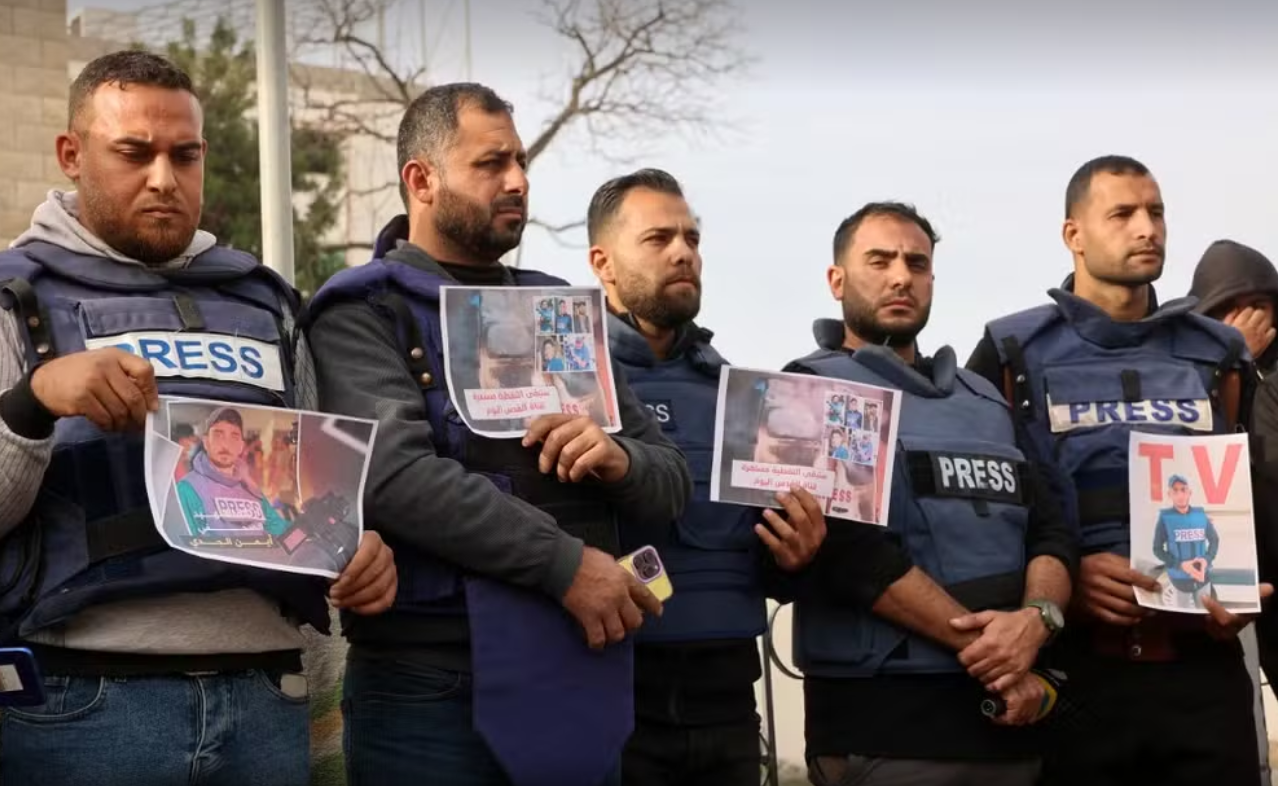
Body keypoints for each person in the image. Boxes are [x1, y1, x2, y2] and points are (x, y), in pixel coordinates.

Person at [0, 50, 397, 785]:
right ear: (71, 155)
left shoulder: (266, 300)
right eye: (134, 153)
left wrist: (356, 545)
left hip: (266, 698)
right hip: (79, 704)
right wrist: (33, 402)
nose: (164, 178)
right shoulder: (14, 295)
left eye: (185, 155)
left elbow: (313, 490)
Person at [305, 83, 692, 786]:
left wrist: (619, 459)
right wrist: (566, 565)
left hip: (578, 670)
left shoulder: (559, 311)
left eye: (520, 162)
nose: (517, 180)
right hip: (431, 685)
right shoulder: (364, 309)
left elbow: (670, 481)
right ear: (421, 179)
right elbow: (394, 477)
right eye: (490, 164)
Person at [968, 155, 1268, 786]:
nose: (1147, 228)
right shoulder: (1010, 350)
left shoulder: (1220, 353)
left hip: (1202, 677)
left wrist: (1246, 590)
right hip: (1074, 676)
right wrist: (1063, 583)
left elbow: (1255, 495)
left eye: (1156, 212)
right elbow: (981, 509)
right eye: (1123, 214)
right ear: (1073, 234)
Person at [784, 202, 1076, 786]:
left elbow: (1052, 530)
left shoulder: (986, 400)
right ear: (837, 280)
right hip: (884, 731)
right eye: (880, 261)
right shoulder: (808, 390)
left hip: (1012, 729)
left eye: (916, 263)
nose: (901, 277)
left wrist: (1038, 620)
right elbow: (850, 552)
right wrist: (997, 655)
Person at [586, 168, 827, 786]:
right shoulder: (568, 383)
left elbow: (761, 557)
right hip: (606, 692)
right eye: (658, 238)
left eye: (691, 239)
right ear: (602, 262)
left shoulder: (739, 394)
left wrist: (796, 556)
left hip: (728, 699)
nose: (683, 253)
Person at [1189, 239, 1278, 699]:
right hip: (1250, 596)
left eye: (1258, 304)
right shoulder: (1190, 384)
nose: (1245, 318)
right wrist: (1231, 361)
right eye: (1228, 309)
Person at [174, 406, 290, 538]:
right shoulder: (188, 488)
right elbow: (188, 543)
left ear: (241, 446)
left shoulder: (250, 487)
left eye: (234, 437)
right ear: (206, 442)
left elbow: (279, 528)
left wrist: (305, 526)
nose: (226, 445)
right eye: (218, 435)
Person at [1151, 474, 1219, 610]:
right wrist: (1180, 565)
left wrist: (1207, 559)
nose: (1180, 495)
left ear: (1189, 493)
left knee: (1205, 613)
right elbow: (1157, 549)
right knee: (1183, 615)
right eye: (1175, 490)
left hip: (1203, 578)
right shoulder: (1165, 517)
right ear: (1169, 494)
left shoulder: (1200, 514)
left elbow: (1214, 540)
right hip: (1179, 581)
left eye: (1183, 489)